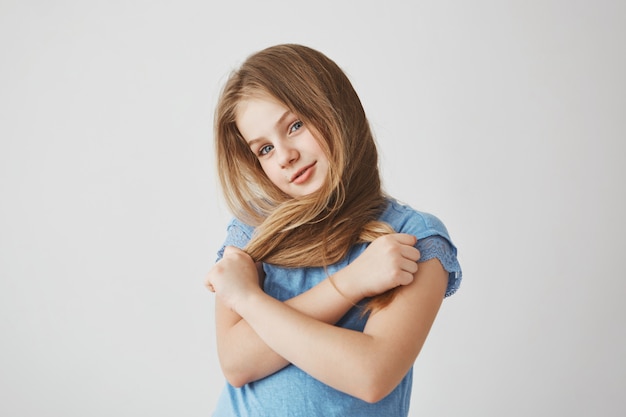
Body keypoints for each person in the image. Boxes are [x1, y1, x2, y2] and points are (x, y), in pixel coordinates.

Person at [206, 44, 462, 417]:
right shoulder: (255, 230)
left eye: (295, 125)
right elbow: (237, 364)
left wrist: (249, 300)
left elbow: (371, 375)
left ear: (335, 110)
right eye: (263, 149)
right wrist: (352, 283)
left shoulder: (413, 239)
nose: (284, 156)